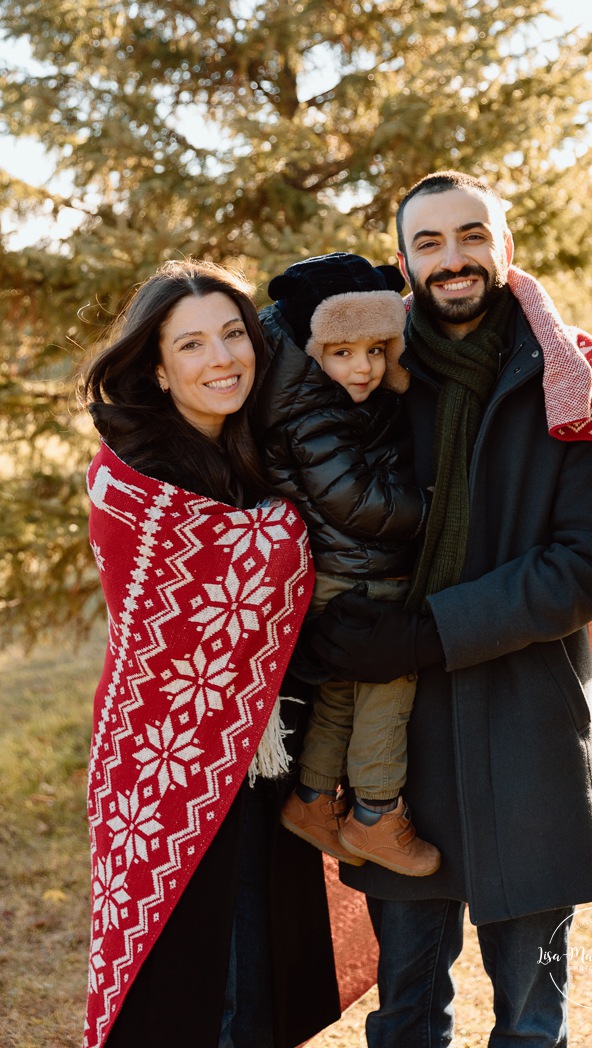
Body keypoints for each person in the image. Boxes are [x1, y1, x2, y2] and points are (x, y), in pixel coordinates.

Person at [306, 173, 592, 1047]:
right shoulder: (366, 379)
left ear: (504, 248)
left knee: (529, 1022)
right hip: (398, 749)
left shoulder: (573, 377)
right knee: (405, 1016)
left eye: (471, 236)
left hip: (524, 732)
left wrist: (431, 629)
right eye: (428, 244)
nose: (452, 258)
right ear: (402, 263)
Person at [79, 259, 347, 1048]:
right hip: (168, 757)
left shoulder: (255, 452)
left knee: (257, 967)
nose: (221, 358)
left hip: (260, 753)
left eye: (234, 335)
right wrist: (281, 532)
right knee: (191, 980)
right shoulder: (131, 475)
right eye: (191, 345)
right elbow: (247, 563)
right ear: (157, 371)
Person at [254, 252, 440, 877]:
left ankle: (311, 799)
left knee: (340, 696)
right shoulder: (312, 414)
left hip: (341, 569)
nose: (362, 367)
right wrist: (437, 507)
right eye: (341, 352)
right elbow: (355, 500)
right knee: (390, 686)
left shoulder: (329, 398)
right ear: (311, 350)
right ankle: (376, 814)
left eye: (377, 350)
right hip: (362, 572)